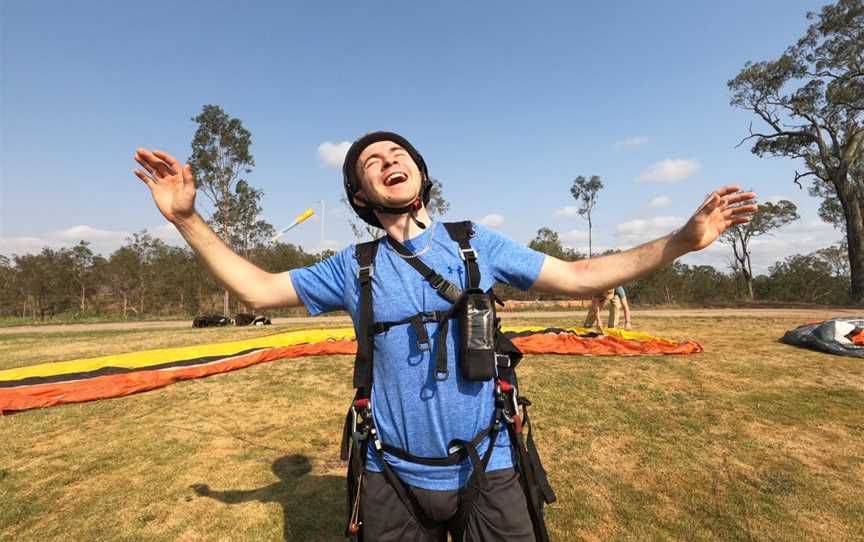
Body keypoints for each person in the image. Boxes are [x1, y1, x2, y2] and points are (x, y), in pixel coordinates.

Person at [133, 131, 756, 541]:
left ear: (420, 175)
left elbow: (579, 275)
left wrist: (679, 243)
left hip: (492, 465)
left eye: (398, 154)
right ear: (360, 193)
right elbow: (257, 291)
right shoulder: (353, 266)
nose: (389, 161)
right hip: (388, 474)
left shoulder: (476, 243)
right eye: (372, 161)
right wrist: (188, 219)